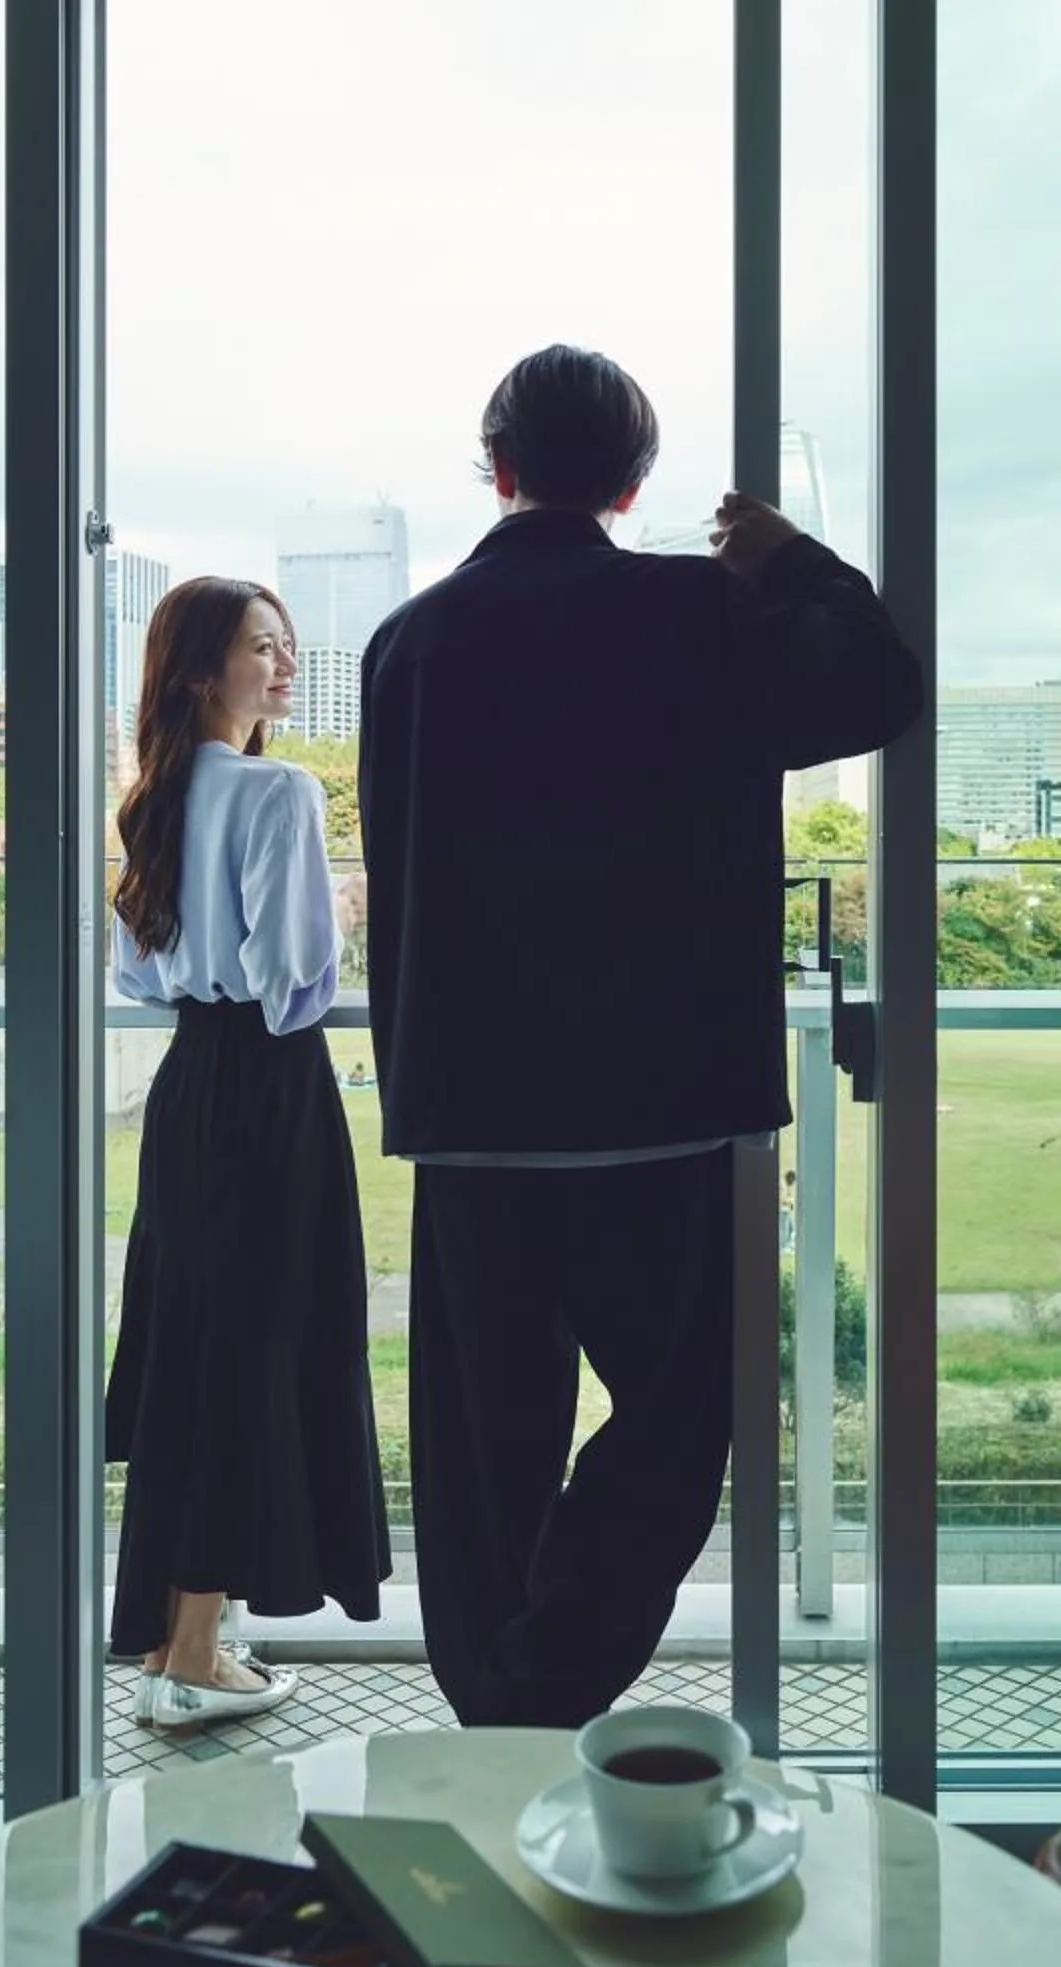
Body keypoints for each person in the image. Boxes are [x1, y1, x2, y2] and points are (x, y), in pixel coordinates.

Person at [360, 344, 924, 1729]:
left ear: (496, 467)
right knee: (684, 1415)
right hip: (659, 1103)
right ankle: (559, 1668)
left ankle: (500, 1703)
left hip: (480, 1113)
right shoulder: (689, 611)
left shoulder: (408, 642)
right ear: (633, 478)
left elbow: (402, 875)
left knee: (481, 1451)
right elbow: (871, 692)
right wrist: (789, 562)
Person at [107, 575, 391, 1730]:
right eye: (260, 649)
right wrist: (339, 925)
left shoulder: (154, 799)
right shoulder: (281, 792)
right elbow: (290, 990)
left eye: (285, 645)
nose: (283, 666)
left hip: (190, 1091)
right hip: (272, 1094)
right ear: (198, 671)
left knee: (197, 1349)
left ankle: (187, 1631)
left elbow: (136, 973)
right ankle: (190, 1654)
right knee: (259, 1349)